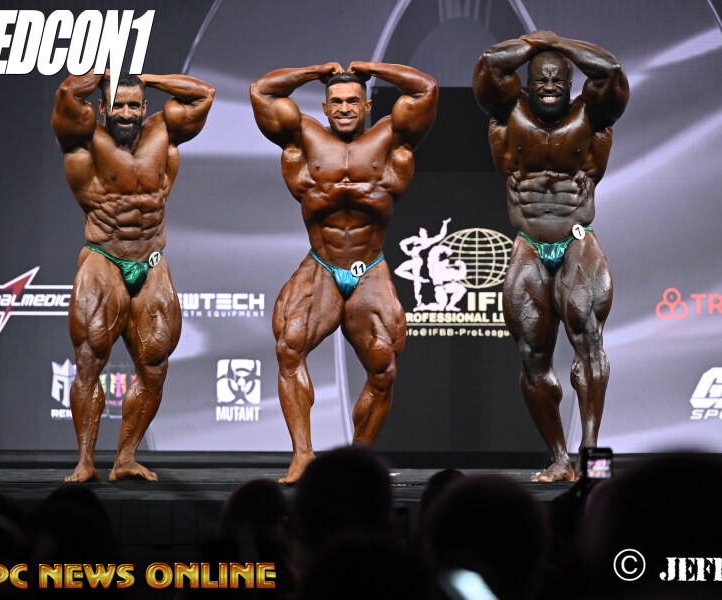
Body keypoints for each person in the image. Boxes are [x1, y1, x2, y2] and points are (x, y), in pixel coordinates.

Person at [250, 61, 437, 482]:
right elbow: (262, 91)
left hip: (370, 267)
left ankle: (358, 461)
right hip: (321, 264)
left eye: (353, 100)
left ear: (367, 105)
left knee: (383, 367)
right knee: (289, 347)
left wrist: (372, 68)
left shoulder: (392, 138)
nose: (345, 108)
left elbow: (426, 89)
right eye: (336, 101)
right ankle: (302, 454)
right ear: (325, 106)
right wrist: (314, 71)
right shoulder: (303, 136)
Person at [473, 31, 629, 482]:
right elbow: (489, 64)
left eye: (558, 79)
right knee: (531, 356)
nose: (549, 86)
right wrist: (533, 41)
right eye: (540, 79)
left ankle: (593, 461)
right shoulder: (507, 114)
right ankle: (559, 458)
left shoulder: (592, 117)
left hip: (577, 239)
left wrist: (557, 42)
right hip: (528, 243)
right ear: (526, 82)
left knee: (590, 344)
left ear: (571, 82)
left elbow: (611, 72)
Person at [52, 70, 214, 482]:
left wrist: (148, 78)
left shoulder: (164, 132)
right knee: (89, 360)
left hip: (152, 260)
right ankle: (85, 462)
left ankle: (125, 458)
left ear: (144, 107)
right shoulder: (85, 139)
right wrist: (103, 75)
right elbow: (67, 93)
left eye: (132, 105)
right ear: (102, 108)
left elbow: (204, 95)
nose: (125, 113)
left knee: (155, 365)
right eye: (117, 105)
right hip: (104, 257)